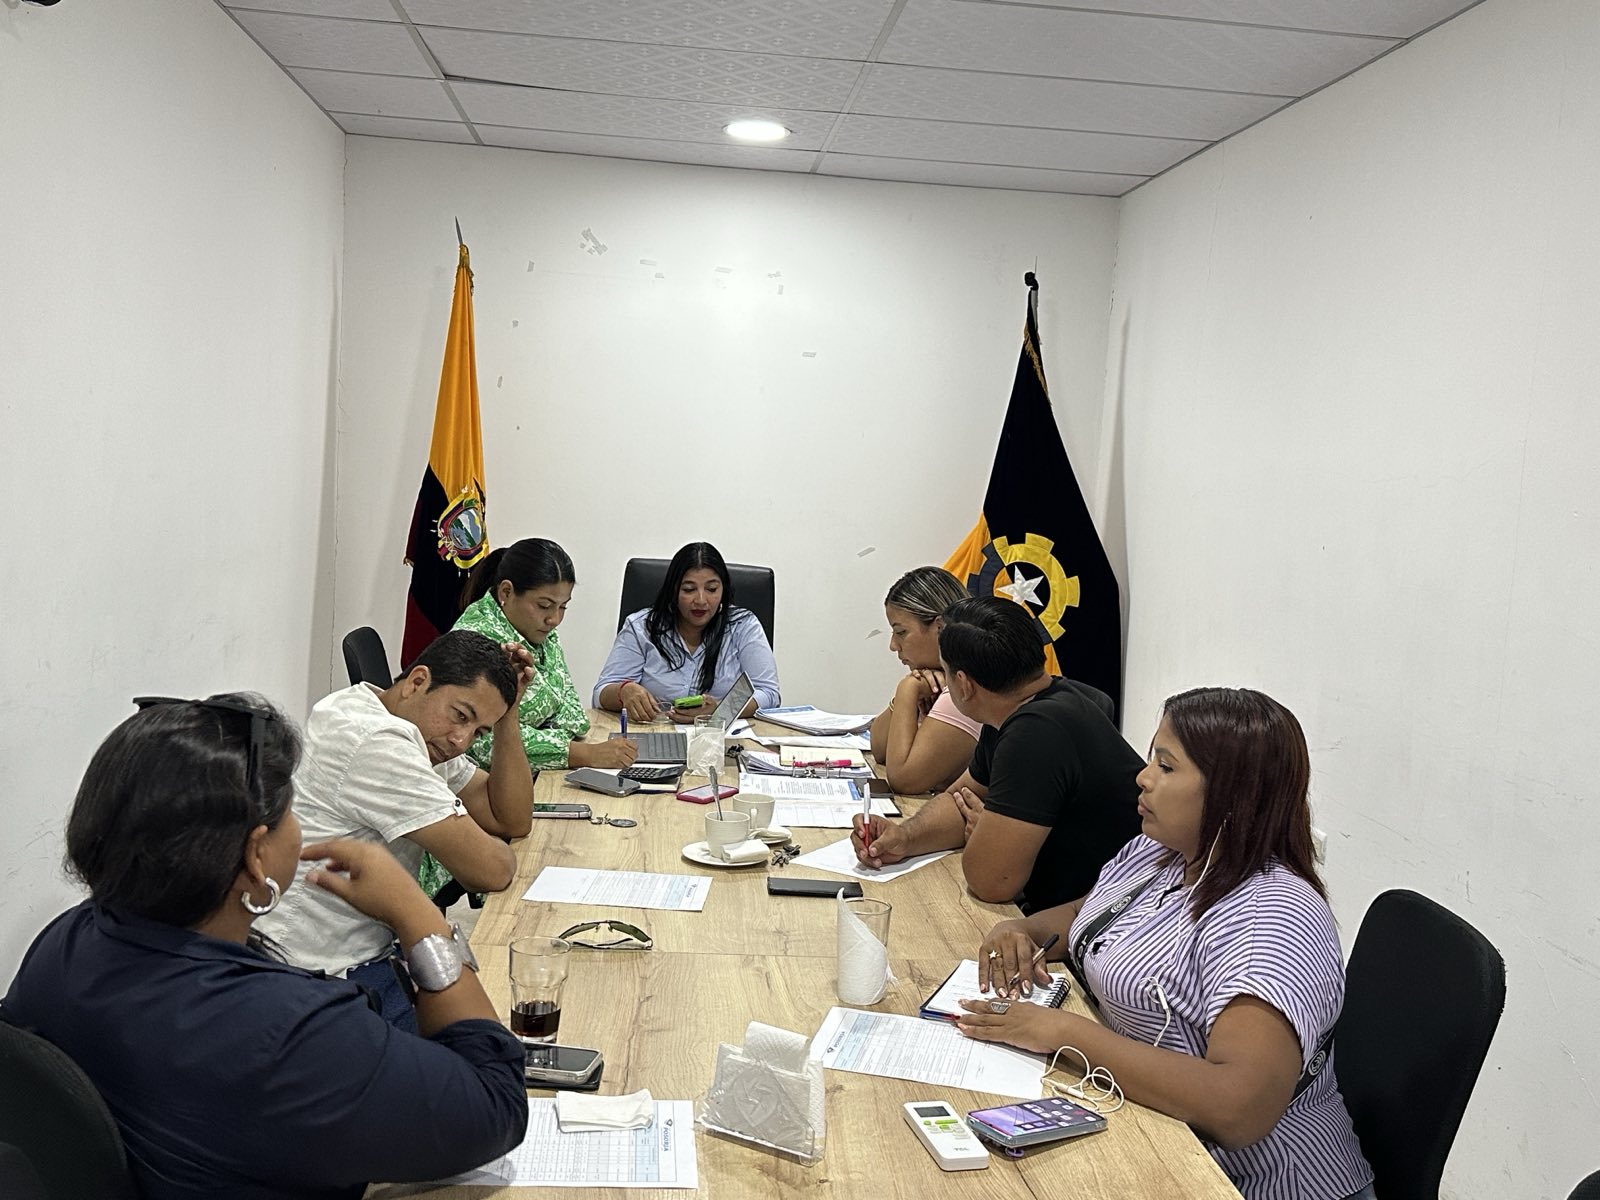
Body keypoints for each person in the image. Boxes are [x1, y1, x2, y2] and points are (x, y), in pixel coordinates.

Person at [0, 695, 528, 1200]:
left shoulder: (64, 940)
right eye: (291, 810)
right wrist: (415, 915)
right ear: (257, 855)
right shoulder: (291, 1034)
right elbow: (496, 1107)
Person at [955, 688, 1375, 1200]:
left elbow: (1238, 1107)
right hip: (1147, 1130)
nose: (1143, 776)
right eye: (1152, 757)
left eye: (1167, 766)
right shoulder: (1162, 852)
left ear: (1231, 793)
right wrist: (1020, 931)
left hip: (1253, 1181)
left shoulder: (1272, 916)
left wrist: (1062, 1032)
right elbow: (1088, 915)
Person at [257, 630, 536, 1029]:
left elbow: (510, 817)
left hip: (364, 958)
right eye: (461, 715)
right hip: (318, 978)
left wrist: (508, 717)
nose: (461, 741)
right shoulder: (377, 740)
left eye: (479, 732)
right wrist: (492, 847)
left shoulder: (399, 718)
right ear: (417, 681)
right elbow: (492, 870)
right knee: (488, 1040)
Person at [852, 595, 1141, 911]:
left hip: (1102, 919)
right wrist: (905, 837)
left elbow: (990, 881)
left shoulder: (1037, 732)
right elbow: (961, 798)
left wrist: (985, 831)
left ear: (964, 685)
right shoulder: (1015, 706)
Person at [423, 539, 636, 901]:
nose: (554, 619)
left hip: (525, 783)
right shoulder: (478, 642)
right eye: (544, 606)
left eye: (563, 607)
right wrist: (580, 753)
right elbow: (483, 743)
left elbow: (573, 716)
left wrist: (542, 735)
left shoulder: (536, 634)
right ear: (506, 593)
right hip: (475, 800)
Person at [594, 541, 780, 721]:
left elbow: (768, 693)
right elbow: (600, 694)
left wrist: (720, 709)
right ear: (673, 591)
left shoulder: (743, 626)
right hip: (655, 731)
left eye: (712, 589)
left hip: (719, 735)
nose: (701, 600)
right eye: (689, 589)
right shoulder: (641, 627)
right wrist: (623, 691)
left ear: (723, 590)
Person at [867, 566, 982, 793]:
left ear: (939, 628)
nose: (893, 645)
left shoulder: (966, 688)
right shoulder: (934, 682)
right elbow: (878, 748)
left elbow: (904, 780)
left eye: (901, 632)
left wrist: (907, 689)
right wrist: (907, 698)